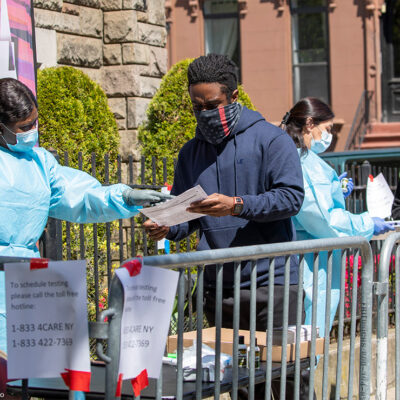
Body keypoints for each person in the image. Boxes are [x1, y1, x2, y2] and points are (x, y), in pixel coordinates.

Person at [144, 54, 305, 398]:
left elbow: (291, 198)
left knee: (288, 383)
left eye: (212, 104)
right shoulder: (190, 154)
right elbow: (187, 216)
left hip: (273, 286)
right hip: (222, 290)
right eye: (196, 106)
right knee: (241, 386)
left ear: (234, 96)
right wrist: (166, 227)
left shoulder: (271, 140)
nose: (204, 113)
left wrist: (237, 205)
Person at [0, 78, 172, 379]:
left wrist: (125, 196)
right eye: (23, 127)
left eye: (34, 123)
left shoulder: (40, 163)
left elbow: (80, 197)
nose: (32, 132)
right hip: (14, 277)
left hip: (28, 282)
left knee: (32, 380)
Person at [280, 97, 394, 338]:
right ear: (310, 124)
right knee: (308, 340)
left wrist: (335, 190)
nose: (329, 136)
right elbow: (324, 220)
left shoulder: (297, 156)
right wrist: (367, 223)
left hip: (304, 261)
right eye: (327, 129)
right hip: (310, 266)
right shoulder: (305, 162)